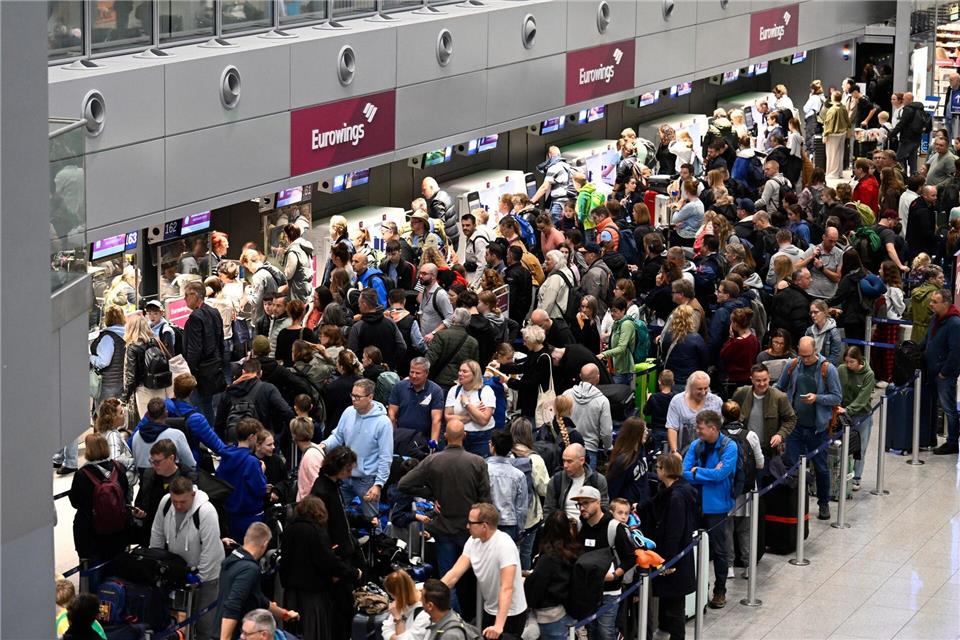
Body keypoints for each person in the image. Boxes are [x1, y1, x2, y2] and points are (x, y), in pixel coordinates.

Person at [777, 336, 843, 520]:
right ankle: (793, 503)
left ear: (816, 351)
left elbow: (837, 397)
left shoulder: (828, 369)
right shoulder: (792, 365)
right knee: (791, 466)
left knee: (821, 468)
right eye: (801, 355)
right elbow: (780, 386)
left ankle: (823, 504)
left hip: (818, 429)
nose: (804, 360)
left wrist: (817, 398)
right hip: (795, 427)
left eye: (807, 356)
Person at [150, 476, 224, 640]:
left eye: (182, 502)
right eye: (175, 501)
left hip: (208, 576)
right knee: (178, 621)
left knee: (206, 624)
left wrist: (200, 577)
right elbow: (157, 533)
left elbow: (210, 550)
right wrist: (155, 562)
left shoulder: (206, 511)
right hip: (179, 570)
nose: (178, 505)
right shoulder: (166, 503)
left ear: (192, 495)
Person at [441, 503, 528, 639]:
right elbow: (454, 574)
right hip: (490, 610)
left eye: (471, 523)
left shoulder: (504, 545)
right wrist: (430, 592)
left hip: (510, 614)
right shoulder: (472, 541)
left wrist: (499, 625)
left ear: (484, 526)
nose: (467, 526)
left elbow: (507, 588)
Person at [279, 496, 359, 640]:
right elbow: (328, 562)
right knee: (314, 633)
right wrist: (353, 572)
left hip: (291, 594)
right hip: (312, 595)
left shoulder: (289, 530)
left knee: (293, 632)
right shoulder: (316, 532)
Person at [681, 410, 736, 609]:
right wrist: (704, 473)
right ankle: (698, 590)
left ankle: (719, 591)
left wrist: (699, 472)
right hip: (696, 506)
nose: (697, 431)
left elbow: (721, 475)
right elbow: (684, 472)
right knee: (693, 549)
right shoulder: (696, 446)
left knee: (719, 551)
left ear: (713, 428)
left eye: (700, 428)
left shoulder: (729, 447)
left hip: (717, 507)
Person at [320, 378, 393, 519]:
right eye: (352, 395)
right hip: (344, 475)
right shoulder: (348, 412)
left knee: (372, 520)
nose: (354, 399)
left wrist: (378, 484)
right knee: (337, 515)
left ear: (370, 397)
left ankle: (375, 541)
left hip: (367, 480)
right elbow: (337, 436)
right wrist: (323, 445)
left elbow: (386, 457)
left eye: (358, 397)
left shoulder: (383, 423)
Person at [570, 485, 636, 640]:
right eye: (579, 504)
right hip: (588, 591)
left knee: (605, 632)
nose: (582, 508)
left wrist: (614, 575)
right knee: (592, 632)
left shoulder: (614, 527)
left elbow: (630, 558)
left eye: (586, 503)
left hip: (609, 591)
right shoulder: (580, 527)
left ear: (598, 503)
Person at [69, 433, 131, 592]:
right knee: (116, 571)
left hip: (91, 535)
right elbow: (126, 494)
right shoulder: (119, 468)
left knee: (93, 576)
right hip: (118, 532)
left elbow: (75, 502)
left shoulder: (82, 475)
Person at [215, 523, 298, 640]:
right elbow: (233, 604)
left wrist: (284, 614)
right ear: (265, 545)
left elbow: (258, 598)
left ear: (245, 538)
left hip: (221, 627)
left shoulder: (232, 558)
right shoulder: (250, 569)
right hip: (236, 634)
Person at [650, 453, 698, 640]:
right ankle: (664, 630)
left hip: (674, 560)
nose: (656, 470)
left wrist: (667, 562)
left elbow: (674, 532)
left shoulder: (677, 496)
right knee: (669, 602)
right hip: (676, 558)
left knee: (674, 607)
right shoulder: (675, 490)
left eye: (658, 467)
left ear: (665, 470)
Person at [523, 511, 579, 639]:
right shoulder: (573, 551)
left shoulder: (548, 558)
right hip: (567, 612)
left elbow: (536, 589)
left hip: (549, 617)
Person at [215, 358, 295, 443]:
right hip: (261, 441)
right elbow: (286, 412)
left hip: (236, 442)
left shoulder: (229, 391)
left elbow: (219, 424)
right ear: (260, 373)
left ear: (243, 372)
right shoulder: (268, 389)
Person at [920, 289, 960, 455]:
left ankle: (952, 442)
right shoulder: (935, 318)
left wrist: (944, 372)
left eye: (935, 302)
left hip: (944, 375)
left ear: (946, 303)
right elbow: (927, 340)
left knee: (948, 408)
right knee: (932, 405)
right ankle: (930, 437)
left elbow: (956, 352)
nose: (931, 304)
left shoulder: (954, 323)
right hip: (931, 371)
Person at [731, 364, 796, 462]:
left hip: (767, 449)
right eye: (758, 380)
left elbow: (791, 419)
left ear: (769, 378)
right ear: (751, 379)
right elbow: (731, 414)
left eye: (765, 380)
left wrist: (780, 434)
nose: (762, 384)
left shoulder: (779, 397)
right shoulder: (741, 393)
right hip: (744, 447)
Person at [182, 280, 225, 424]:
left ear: (195, 295)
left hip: (201, 372)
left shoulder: (195, 317)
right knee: (212, 408)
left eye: (187, 295)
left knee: (201, 409)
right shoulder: (214, 312)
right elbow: (221, 341)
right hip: (216, 368)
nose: (184, 299)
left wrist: (190, 370)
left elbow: (195, 348)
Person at [836, 346, 876, 491]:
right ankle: (839, 474)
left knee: (860, 448)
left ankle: (856, 477)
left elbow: (863, 398)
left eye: (851, 362)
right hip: (841, 414)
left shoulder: (869, 374)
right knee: (839, 446)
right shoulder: (841, 370)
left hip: (862, 415)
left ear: (859, 360)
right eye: (846, 361)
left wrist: (848, 410)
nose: (848, 365)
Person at [561, 364, 613, 470]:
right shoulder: (602, 401)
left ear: (580, 376)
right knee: (587, 485)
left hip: (567, 448)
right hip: (589, 451)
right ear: (598, 378)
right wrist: (608, 448)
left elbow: (559, 420)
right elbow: (606, 432)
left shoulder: (566, 394)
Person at [542, 443, 609, 521]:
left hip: (591, 528)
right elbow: (548, 510)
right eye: (564, 461)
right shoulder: (556, 480)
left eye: (569, 461)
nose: (565, 465)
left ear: (582, 461)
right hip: (563, 529)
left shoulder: (597, 480)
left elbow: (604, 508)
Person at [130, 397, 197, 473]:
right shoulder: (177, 435)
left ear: (148, 415)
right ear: (166, 413)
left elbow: (136, 465)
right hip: (172, 482)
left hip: (145, 483)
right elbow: (191, 465)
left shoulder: (136, 437)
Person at [446, 360, 496, 457]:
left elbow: (483, 421)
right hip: (459, 437)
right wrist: (473, 414)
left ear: (474, 374)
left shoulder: (486, 391)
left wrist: (467, 404)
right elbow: (448, 418)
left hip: (482, 438)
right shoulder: (454, 390)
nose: (460, 374)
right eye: (460, 371)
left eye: (465, 371)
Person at [485, 430, 528, 541]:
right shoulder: (519, 475)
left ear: (492, 446)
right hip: (510, 523)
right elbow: (521, 508)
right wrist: (520, 529)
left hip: (486, 522)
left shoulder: (483, 470)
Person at [665, 371, 722, 453]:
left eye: (706, 388)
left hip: (709, 452)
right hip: (683, 452)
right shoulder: (677, 401)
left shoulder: (716, 401)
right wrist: (675, 451)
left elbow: (718, 428)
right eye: (699, 389)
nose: (703, 392)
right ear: (690, 387)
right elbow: (672, 427)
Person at [605, 417, 653, 508]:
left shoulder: (641, 449)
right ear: (635, 433)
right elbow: (612, 490)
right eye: (644, 430)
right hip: (628, 510)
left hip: (642, 505)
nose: (647, 432)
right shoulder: (622, 461)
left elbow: (643, 474)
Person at [427, 308, 479, 389]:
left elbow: (430, 359)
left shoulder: (441, 335)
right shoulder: (473, 342)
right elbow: (474, 366)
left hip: (439, 380)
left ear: (453, 318)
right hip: (461, 383)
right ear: (468, 322)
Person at [92, 397, 137, 489]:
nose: (123, 415)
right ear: (112, 417)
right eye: (121, 413)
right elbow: (115, 460)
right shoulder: (112, 435)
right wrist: (134, 461)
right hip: (118, 486)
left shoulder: (104, 432)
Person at [661, 305, 709, 390]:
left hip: (672, 383)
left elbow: (664, 355)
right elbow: (704, 361)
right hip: (691, 383)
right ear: (691, 319)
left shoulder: (668, 336)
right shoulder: (696, 338)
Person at [720, 307, 760, 394]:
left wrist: (730, 338)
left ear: (735, 324)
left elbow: (723, 354)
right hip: (749, 377)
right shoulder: (753, 338)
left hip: (736, 380)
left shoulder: (736, 343)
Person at [600, 297, 639, 387]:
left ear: (623, 310)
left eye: (615, 311)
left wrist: (604, 354)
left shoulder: (626, 324)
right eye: (611, 311)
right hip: (616, 368)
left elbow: (622, 348)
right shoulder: (617, 323)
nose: (612, 314)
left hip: (625, 371)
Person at [273, 299, 318, 367]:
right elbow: (315, 353)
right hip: (303, 371)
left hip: (287, 371)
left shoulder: (282, 333)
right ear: (303, 313)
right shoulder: (307, 333)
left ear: (289, 313)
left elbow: (278, 357)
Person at [822, 91, 852, 179]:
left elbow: (828, 123)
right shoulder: (843, 108)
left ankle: (832, 173)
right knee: (840, 153)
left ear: (833, 98)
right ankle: (839, 172)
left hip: (833, 134)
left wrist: (825, 134)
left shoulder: (832, 110)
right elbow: (848, 120)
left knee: (832, 154)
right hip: (842, 133)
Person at [805, 299, 843, 365]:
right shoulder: (809, 331)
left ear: (825, 312)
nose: (813, 315)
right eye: (811, 312)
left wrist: (819, 364)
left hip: (825, 369)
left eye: (816, 312)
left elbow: (835, 358)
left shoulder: (834, 332)